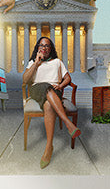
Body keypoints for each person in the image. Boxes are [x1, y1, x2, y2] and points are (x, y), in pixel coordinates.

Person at [24, 35, 80, 169]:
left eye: (47, 45)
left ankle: (49, 147)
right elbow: (25, 80)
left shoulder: (57, 62)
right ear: (38, 48)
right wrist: (36, 64)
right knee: (45, 86)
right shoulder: (32, 62)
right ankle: (68, 123)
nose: (44, 48)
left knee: (49, 105)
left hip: (55, 92)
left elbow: (67, 78)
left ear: (51, 49)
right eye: (41, 45)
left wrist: (60, 86)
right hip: (37, 89)